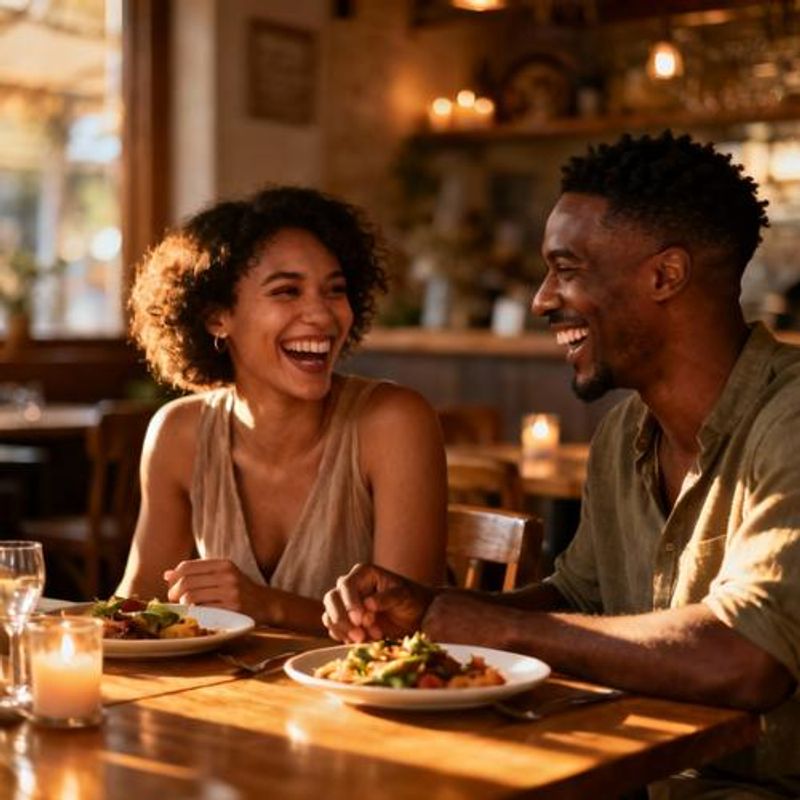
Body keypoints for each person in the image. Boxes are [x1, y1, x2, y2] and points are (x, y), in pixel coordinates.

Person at [323, 131, 800, 798]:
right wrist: (430, 611)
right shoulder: (623, 434)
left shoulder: (791, 420)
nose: (543, 300)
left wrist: (486, 625)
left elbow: (750, 661)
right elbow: (579, 602)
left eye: (567, 269)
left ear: (665, 275)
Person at [117, 186, 447, 633]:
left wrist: (265, 606)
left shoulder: (393, 423)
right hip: (231, 699)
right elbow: (136, 606)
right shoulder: (179, 433)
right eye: (287, 291)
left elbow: (409, 628)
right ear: (217, 316)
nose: (323, 315)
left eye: (335, 290)